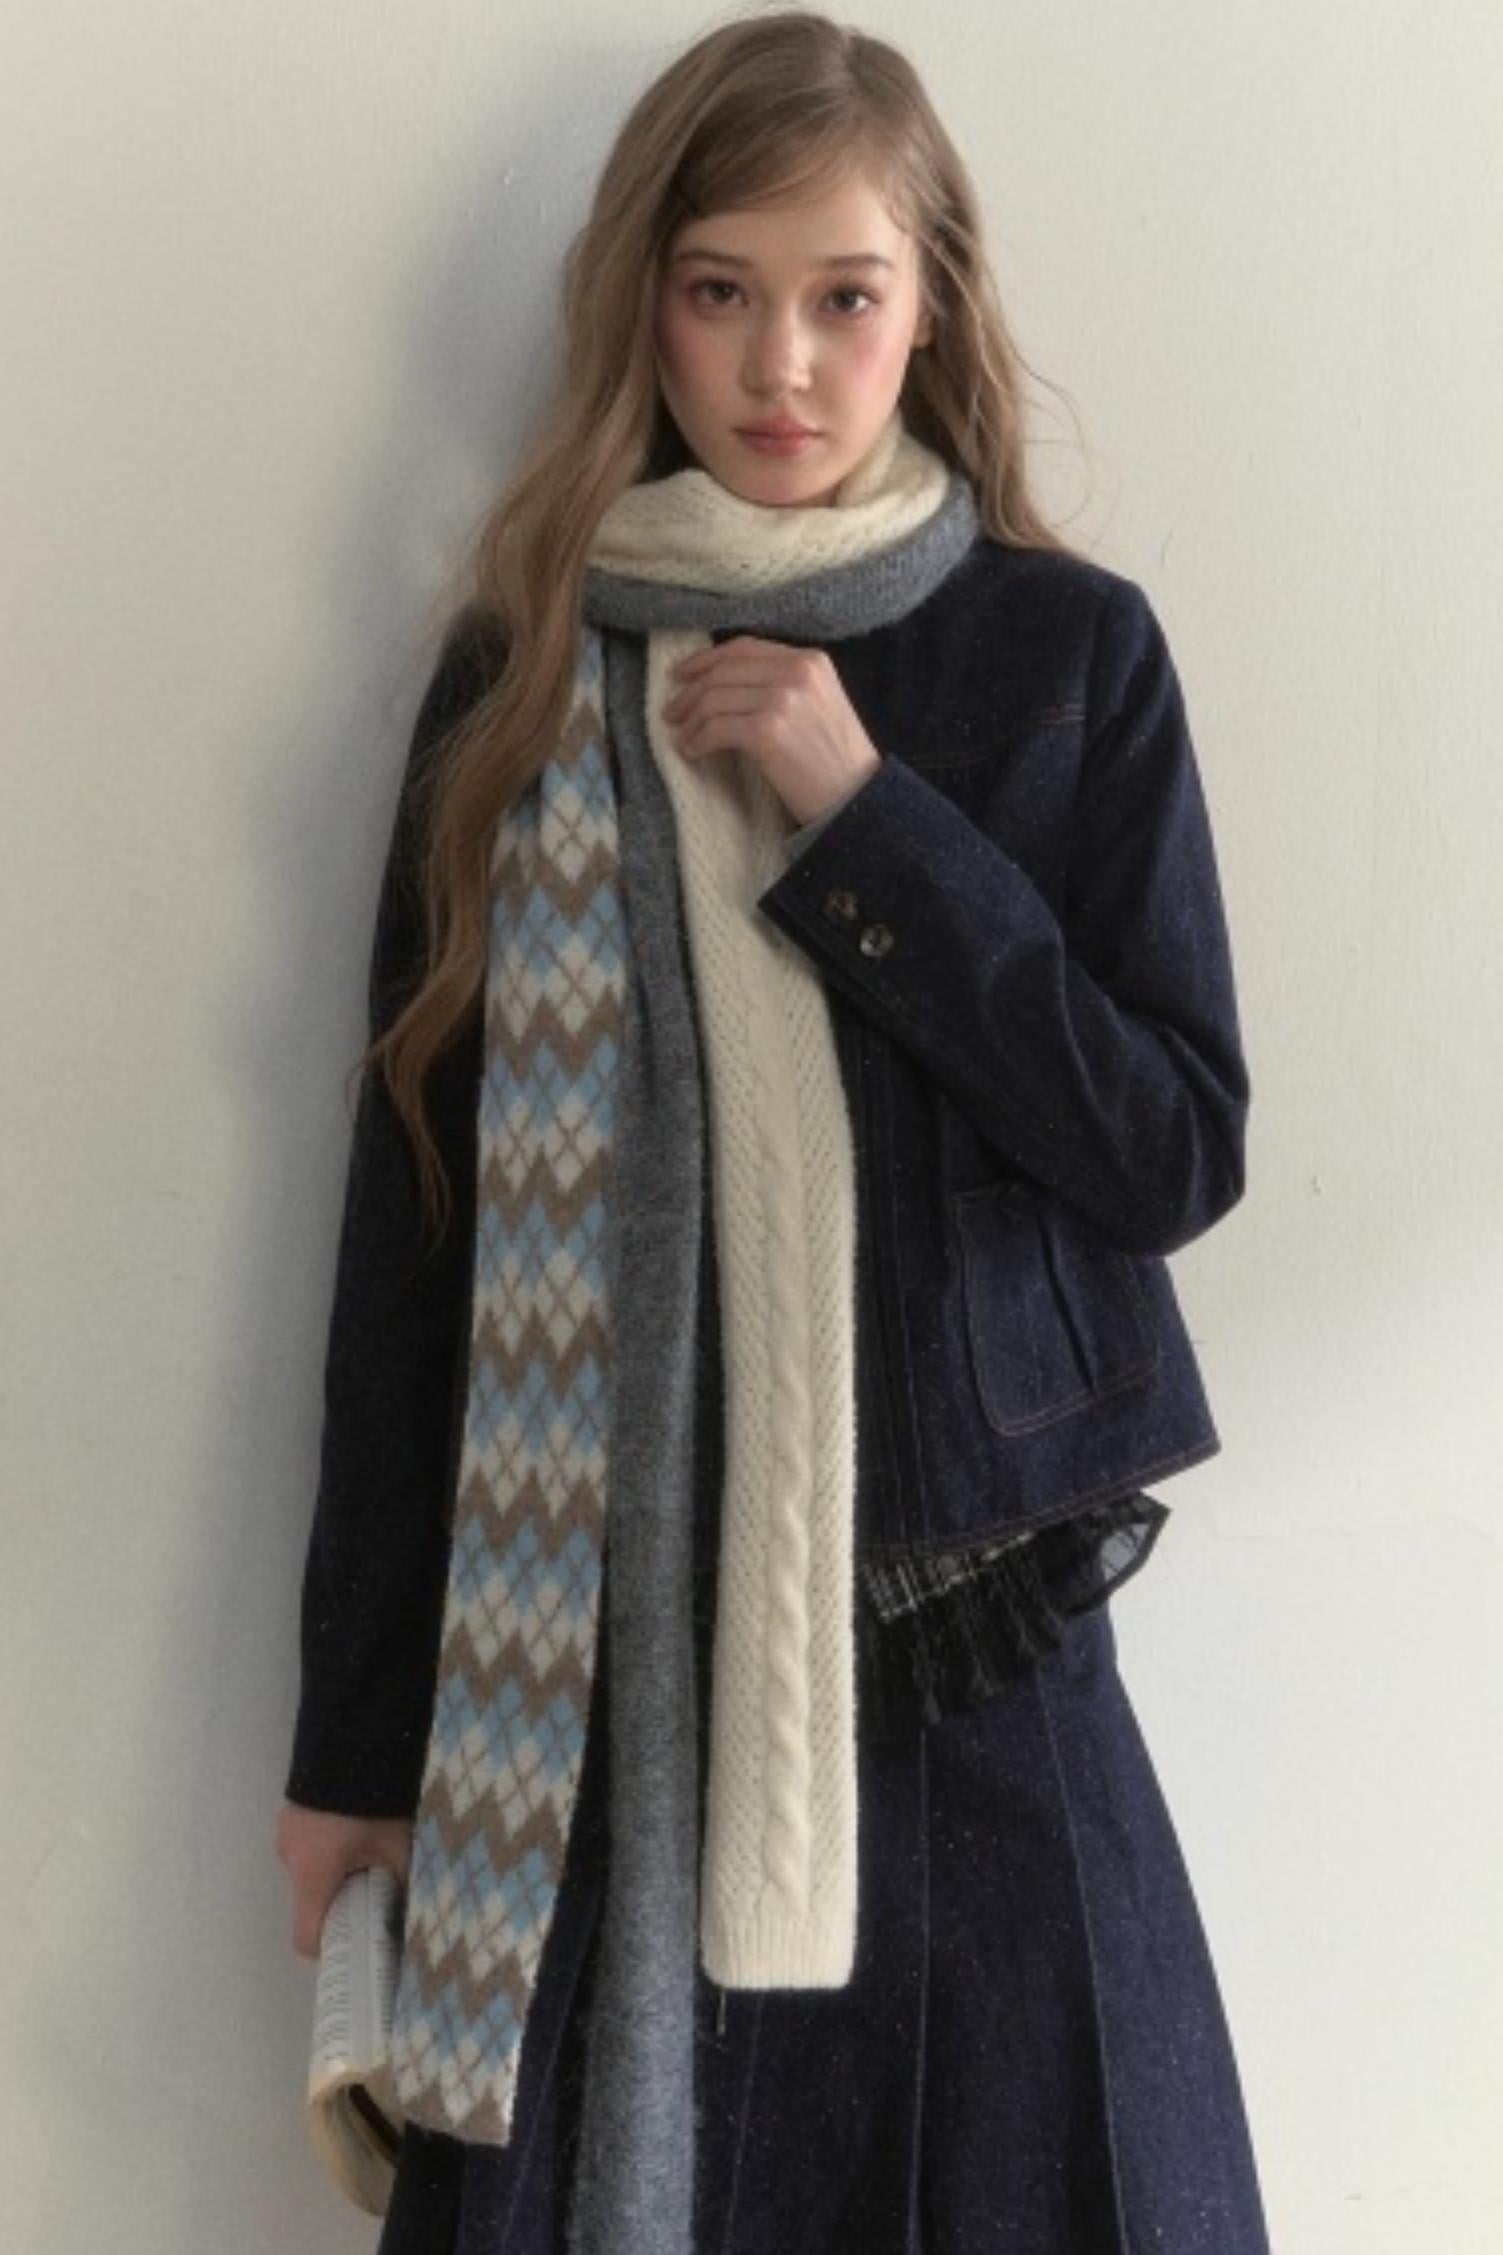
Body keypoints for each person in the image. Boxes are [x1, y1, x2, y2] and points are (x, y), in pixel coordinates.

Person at [275, 11, 1272, 2252]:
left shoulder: (1063, 660)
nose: (781, 364)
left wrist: (865, 819)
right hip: (586, 1695)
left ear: (931, 305)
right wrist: (351, 1747)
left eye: (843, 295)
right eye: (719, 289)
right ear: (644, 299)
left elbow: (1165, 1147)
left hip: (964, 1669)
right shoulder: (519, 682)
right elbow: (413, 1239)